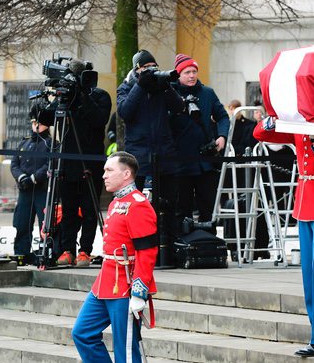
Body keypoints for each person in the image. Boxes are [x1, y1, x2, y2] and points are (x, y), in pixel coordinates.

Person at [253, 108, 314, 358]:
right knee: (309, 275)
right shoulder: (300, 126)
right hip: (304, 203)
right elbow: (261, 133)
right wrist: (276, 116)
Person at [71, 151, 158, 363]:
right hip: (106, 281)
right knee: (82, 333)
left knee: (125, 352)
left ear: (126, 173)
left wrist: (140, 292)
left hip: (127, 285)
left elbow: (147, 252)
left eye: (110, 170)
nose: (104, 175)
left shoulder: (139, 204)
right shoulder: (115, 202)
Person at [117, 49, 184, 266]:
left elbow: (178, 107)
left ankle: (170, 251)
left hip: (164, 154)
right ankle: (135, 250)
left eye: (154, 67)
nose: (151, 71)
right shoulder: (127, 86)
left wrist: (164, 86)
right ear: (137, 69)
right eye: (147, 68)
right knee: (135, 204)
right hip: (138, 156)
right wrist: (140, 85)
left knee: (170, 203)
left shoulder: (161, 88)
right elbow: (125, 113)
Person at [50, 60, 111, 267]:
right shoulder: (67, 98)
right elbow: (47, 117)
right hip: (67, 163)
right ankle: (68, 250)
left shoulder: (99, 95)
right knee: (68, 210)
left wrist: (82, 94)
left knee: (89, 210)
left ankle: (85, 251)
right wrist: (58, 97)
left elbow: (99, 119)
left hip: (90, 163)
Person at [170, 53, 229, 226]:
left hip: (205, 161)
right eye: (187, 72)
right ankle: (184, 249)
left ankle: (207, 247)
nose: (192, 75)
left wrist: (222, 136)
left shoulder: (207, 93)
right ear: (179, 75)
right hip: (180, 162)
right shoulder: (170, 94)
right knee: (182, 210)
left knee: (207, 209)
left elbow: (223, 117)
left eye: (194, 71)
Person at [11, 111, 51, 265]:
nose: (35, 125)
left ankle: (45, 255)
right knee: (22, 223)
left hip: (41, 189)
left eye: (39, 123)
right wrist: (21, 177)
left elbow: (49, 164)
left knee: (44, 225)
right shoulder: (24, 142)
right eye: (34, 122)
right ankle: (21, 254)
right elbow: (14, 163)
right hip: (25, 190)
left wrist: (34, 178)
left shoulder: (49, 143)